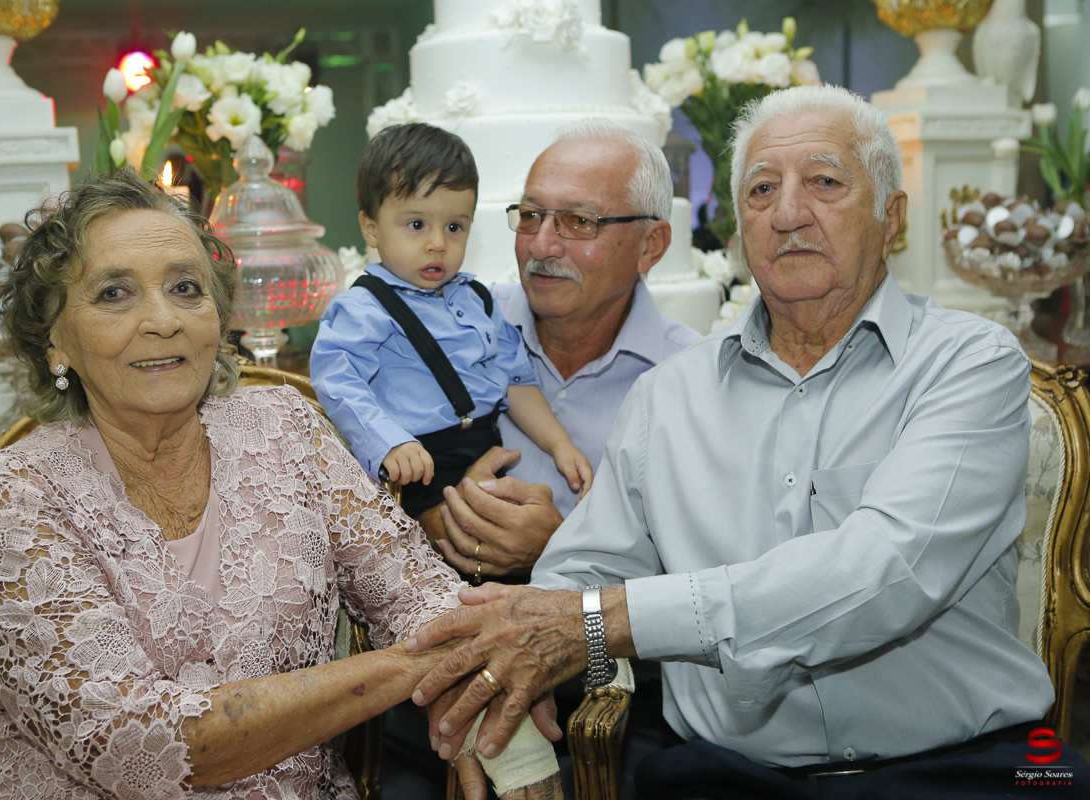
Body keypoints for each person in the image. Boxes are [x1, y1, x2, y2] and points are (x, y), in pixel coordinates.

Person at [406, 85, 1084, 798]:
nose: (789, 213)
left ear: (893, 218)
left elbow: (885, 572)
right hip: (725, 775)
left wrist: (606, 623)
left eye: (824, 182)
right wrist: (527, 663)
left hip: (959, 767)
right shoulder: (670, 394)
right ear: (738, 227)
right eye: (762, 190)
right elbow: (581, 572)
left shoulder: (967, 363)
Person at [0, 169, 560, 800]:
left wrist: (490, 704)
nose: (163, 321)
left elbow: (413, 590)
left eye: (186, 288)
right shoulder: (12, 498)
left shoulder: (284, 427)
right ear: (56, 343)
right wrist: (413, 667)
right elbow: (135, 749)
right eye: (114, 295)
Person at [419, 118, 701, 578]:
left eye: (579, 222)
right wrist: (445, 513)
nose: (542, 245)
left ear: (650, 246)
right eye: (530, 217)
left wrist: (560, 547)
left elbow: (702, 578)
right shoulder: (449, 328)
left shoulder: (694, 381)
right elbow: (361, 494)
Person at [311, 123, 592, 522]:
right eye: (416, 225)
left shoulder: (477, 298)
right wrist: (388, 443)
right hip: (418, 465)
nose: (438, 243)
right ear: (370, 228)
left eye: (455, 227)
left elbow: (515, 381)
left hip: (484, 449)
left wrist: (559, 445)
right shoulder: (363, 309)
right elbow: (337, 383)